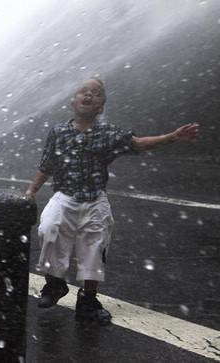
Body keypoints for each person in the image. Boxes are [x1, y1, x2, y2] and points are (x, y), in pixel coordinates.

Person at [25, 78, 199, 325]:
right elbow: (47, 164)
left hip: (95, 200)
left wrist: (172, 137)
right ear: (73, 102)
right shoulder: (58, 132)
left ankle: (88, 301)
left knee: (93, 249)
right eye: (83, 91)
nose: (89, 95)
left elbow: (136, 143)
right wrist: (32, 190)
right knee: (48, 229)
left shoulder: (108, 134)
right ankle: (55, 284)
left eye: (96, 94)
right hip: (64, 197)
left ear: (101, 107)